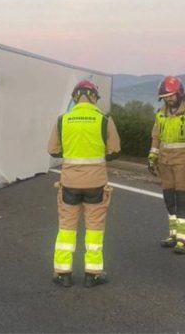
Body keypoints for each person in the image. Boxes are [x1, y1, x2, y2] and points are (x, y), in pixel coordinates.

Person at [48, 80, 121, 288]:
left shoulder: (63, 120)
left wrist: (71, 153)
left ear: (75, 97)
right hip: (96, 184)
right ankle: (92, 274)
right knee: (95, 230)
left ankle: (63, 274)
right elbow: (115, 151)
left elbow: (53, 150)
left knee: (66, 229)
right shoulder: (104, 120)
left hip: (69, 183)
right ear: (94, 97)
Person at [147, 76, 185, 254]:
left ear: (179, 94)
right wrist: (152, 158)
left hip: (183, 163)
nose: (168, 99)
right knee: (169, 200)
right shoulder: (160, 113)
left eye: (171, 95)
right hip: (165, 162)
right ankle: (173, 234)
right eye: (165, 96)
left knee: (181, 200)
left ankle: (182, 239)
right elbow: (156, 137)